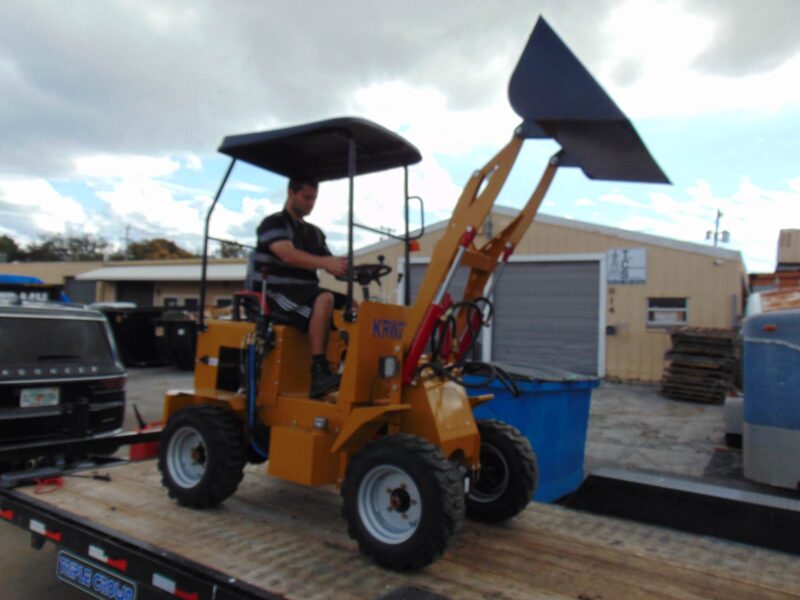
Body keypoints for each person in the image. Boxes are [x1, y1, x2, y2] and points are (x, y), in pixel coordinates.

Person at [247, 176, 350, 398]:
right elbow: (287, 254)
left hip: (305, 292)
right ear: (291, 193)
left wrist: (346, 269)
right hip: (274, 293)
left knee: (356, 308)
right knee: (324, 299)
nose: (310, 204)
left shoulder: (314, 233)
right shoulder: (273, 223)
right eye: (306, 198)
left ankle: (351, 368)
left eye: (314, 199)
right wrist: (326, 263)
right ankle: (319, 371)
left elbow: (329, 264)